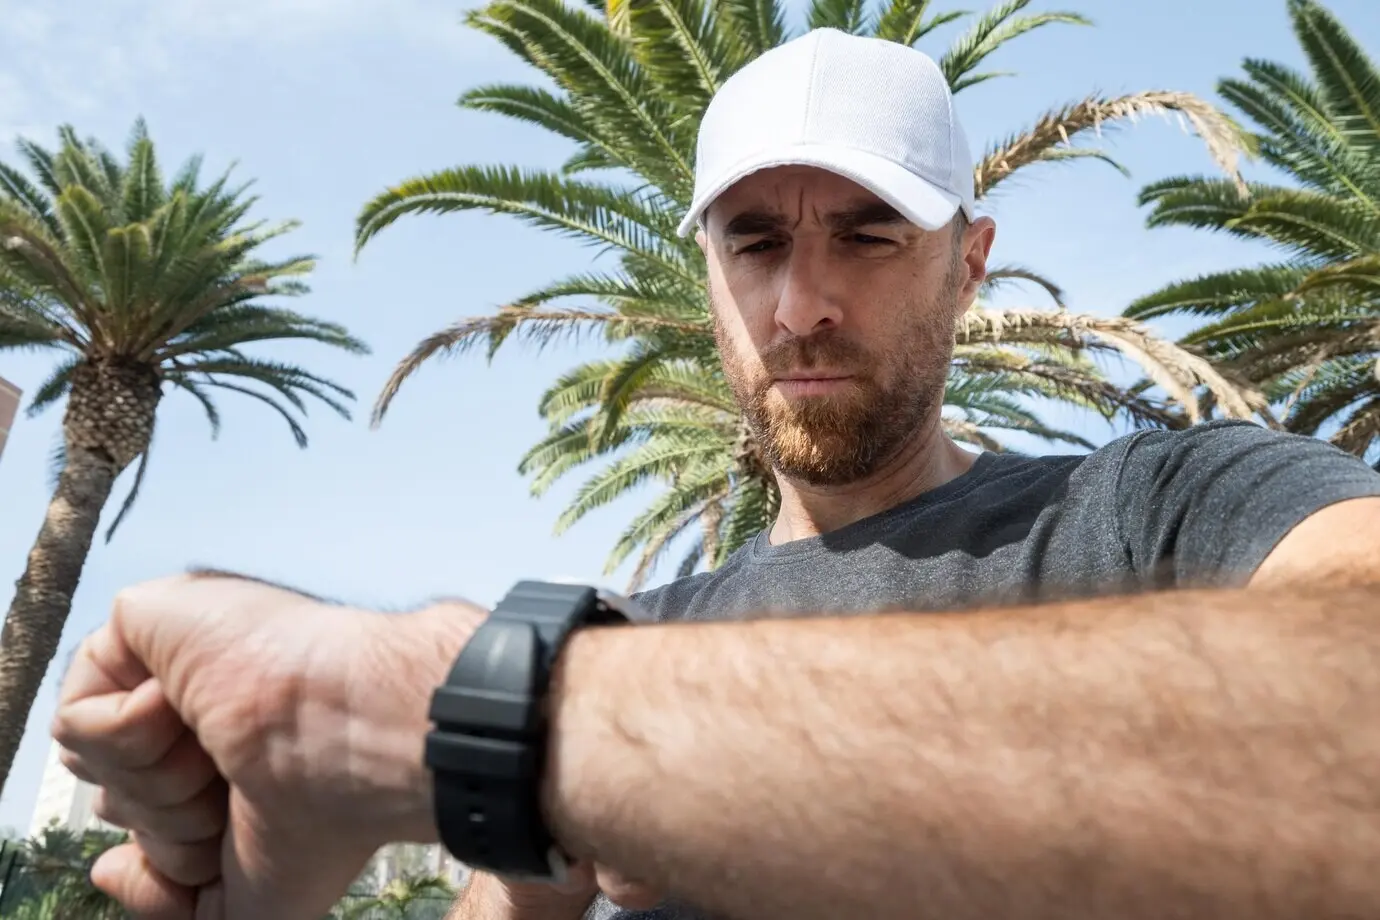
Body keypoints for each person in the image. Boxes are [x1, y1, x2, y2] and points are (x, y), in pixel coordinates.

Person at [51, 27, 1380, 920]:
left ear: (970, 263)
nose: (801, 305)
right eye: (754, 243)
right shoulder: (631, 639)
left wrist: (448, 720)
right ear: (708, 276)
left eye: (869, 236)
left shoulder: (1166, 511)